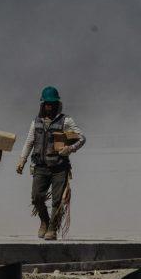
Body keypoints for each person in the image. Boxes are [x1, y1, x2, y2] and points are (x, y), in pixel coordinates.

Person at [16, 86, 86, 240]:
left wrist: (70, 148)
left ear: (57, 104)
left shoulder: (66, 121)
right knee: (36, 197)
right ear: (43, 104)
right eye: (47, 103)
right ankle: (44, 221)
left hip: (59, 167)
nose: (49, 106)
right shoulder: (35, 122)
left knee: (57, 200)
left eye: (52, 103)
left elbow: (82, 138)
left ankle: (52, 229)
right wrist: (22, 160)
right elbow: (29, 142)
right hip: (40, 166)